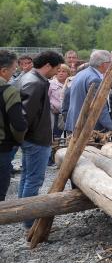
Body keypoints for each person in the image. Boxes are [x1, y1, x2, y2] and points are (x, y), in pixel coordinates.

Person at [16, 51, 63, 224]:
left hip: (32, 137)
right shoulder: (36, 83)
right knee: (34, 180)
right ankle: (29, 222)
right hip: (35, 139)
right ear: (48, 66)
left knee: (27, 176)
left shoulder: (29, 78)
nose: (57, 72)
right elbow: (25, 115)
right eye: (56, 68)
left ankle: (20, 213)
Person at [65, 50, 112, 136]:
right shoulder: (94, 79)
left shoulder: (81, 74)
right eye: (110, 62)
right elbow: (99, 107)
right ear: (103, 64)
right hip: (86, 127)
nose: (111, 65)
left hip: (74, 123)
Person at [0, 51, 27, 201]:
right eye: (13, 70)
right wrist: (18, 141)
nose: (14, 73)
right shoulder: (9, 91)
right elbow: (18, 125)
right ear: (3, 70)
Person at [48, 64, 70, 139]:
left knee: (68, 134)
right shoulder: (50, 84)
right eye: (59, 71)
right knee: (55, 134)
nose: (61, 73)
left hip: (67, 113)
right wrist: (51, 107)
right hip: (55, 114)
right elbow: (46, 98)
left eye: (64, 71)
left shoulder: (71, 83)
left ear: (68, 73)